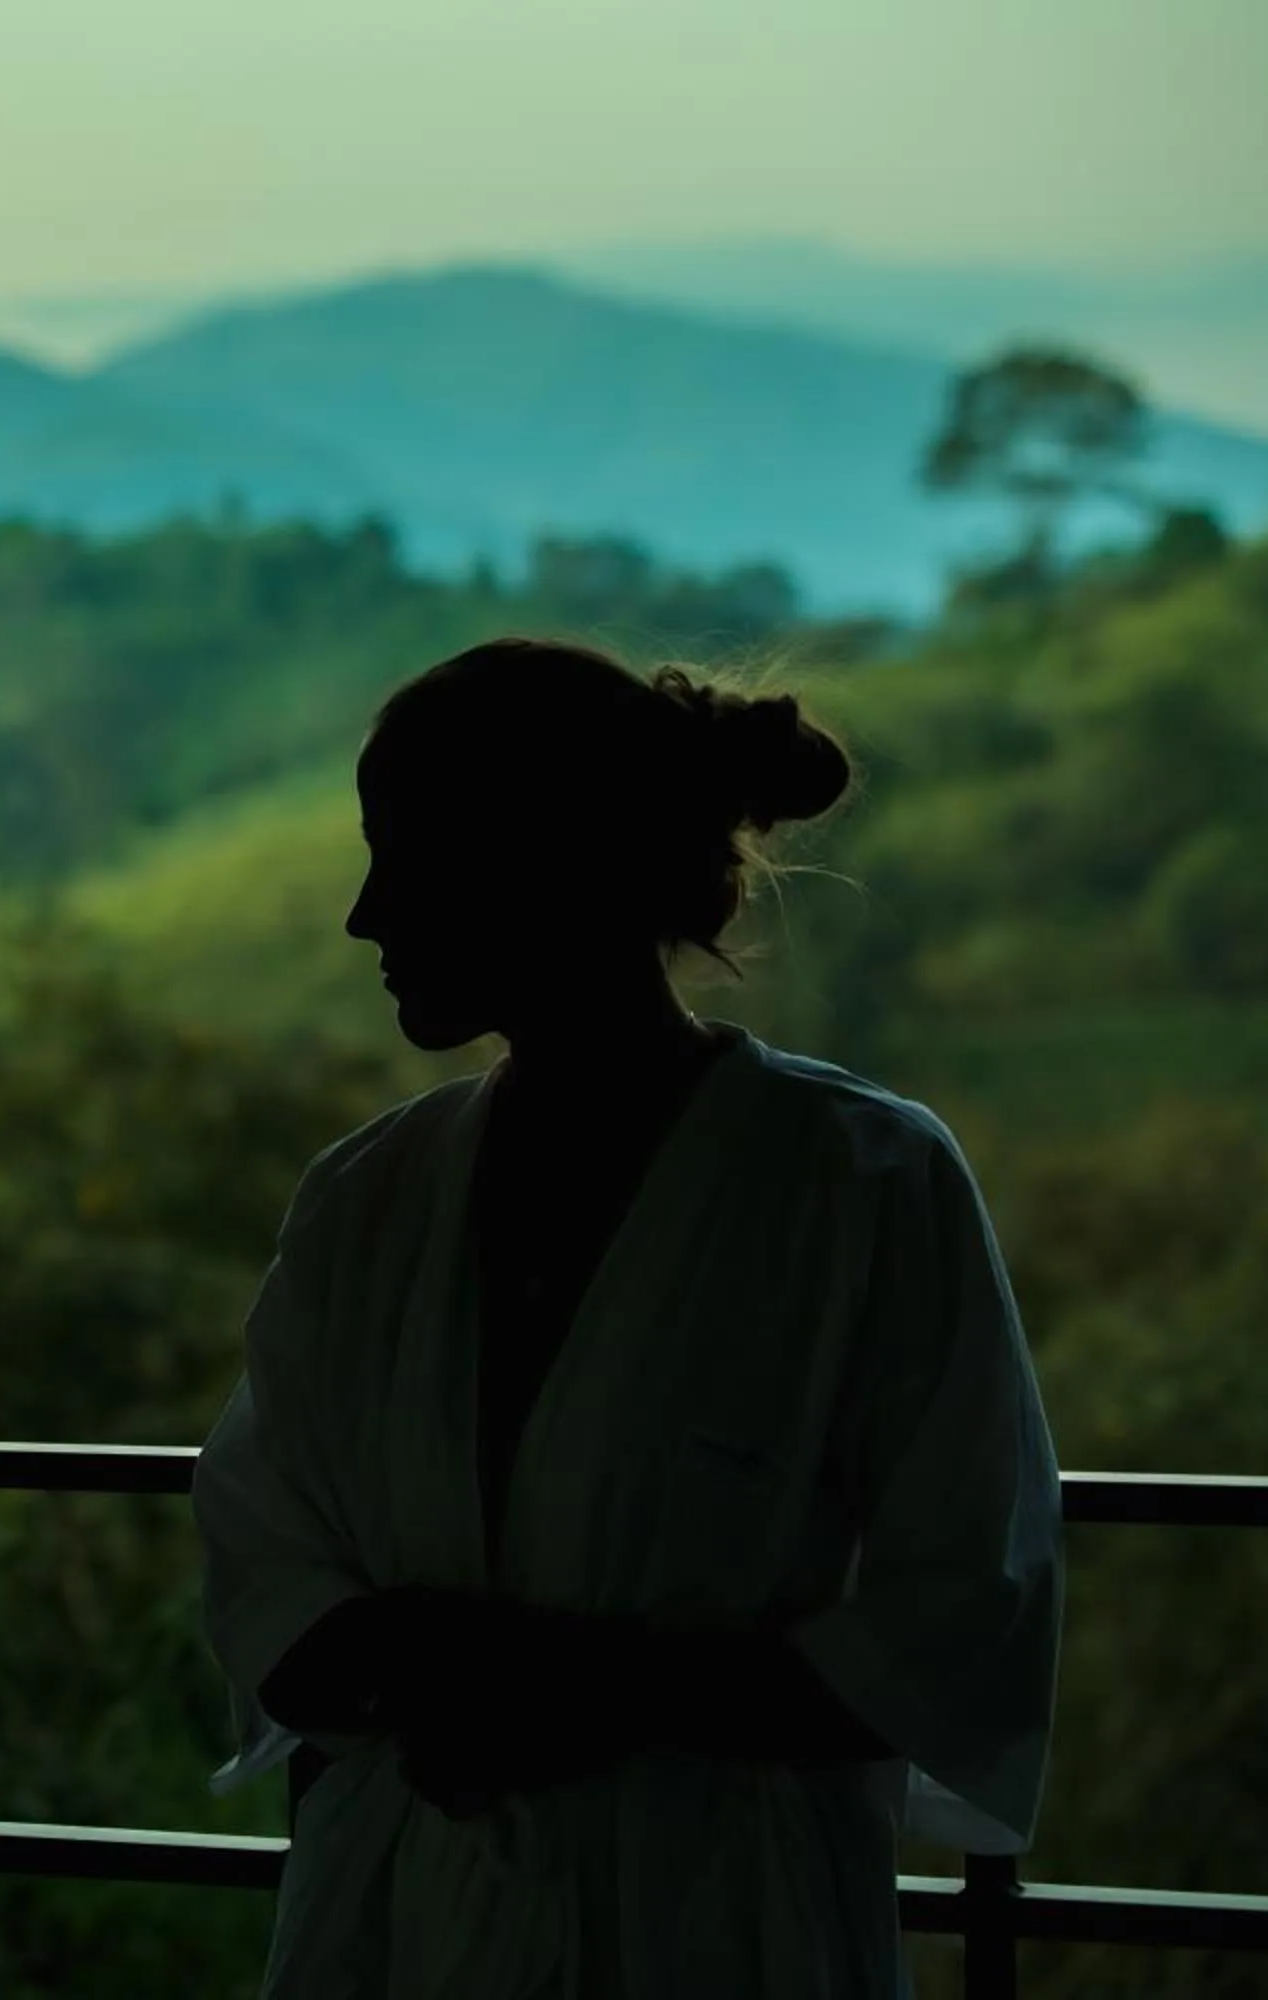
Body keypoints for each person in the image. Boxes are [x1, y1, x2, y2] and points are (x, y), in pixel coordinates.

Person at [191, 637, 1064, 1998]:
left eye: (407, 857)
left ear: (551, 861)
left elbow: (962, 1607)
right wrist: (519, 1679)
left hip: (727, 1924)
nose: (367, 916)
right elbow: (265, 1559)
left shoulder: (857, 1183)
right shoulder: (365, 1201)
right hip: (408, 1927)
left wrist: (553, 1687)